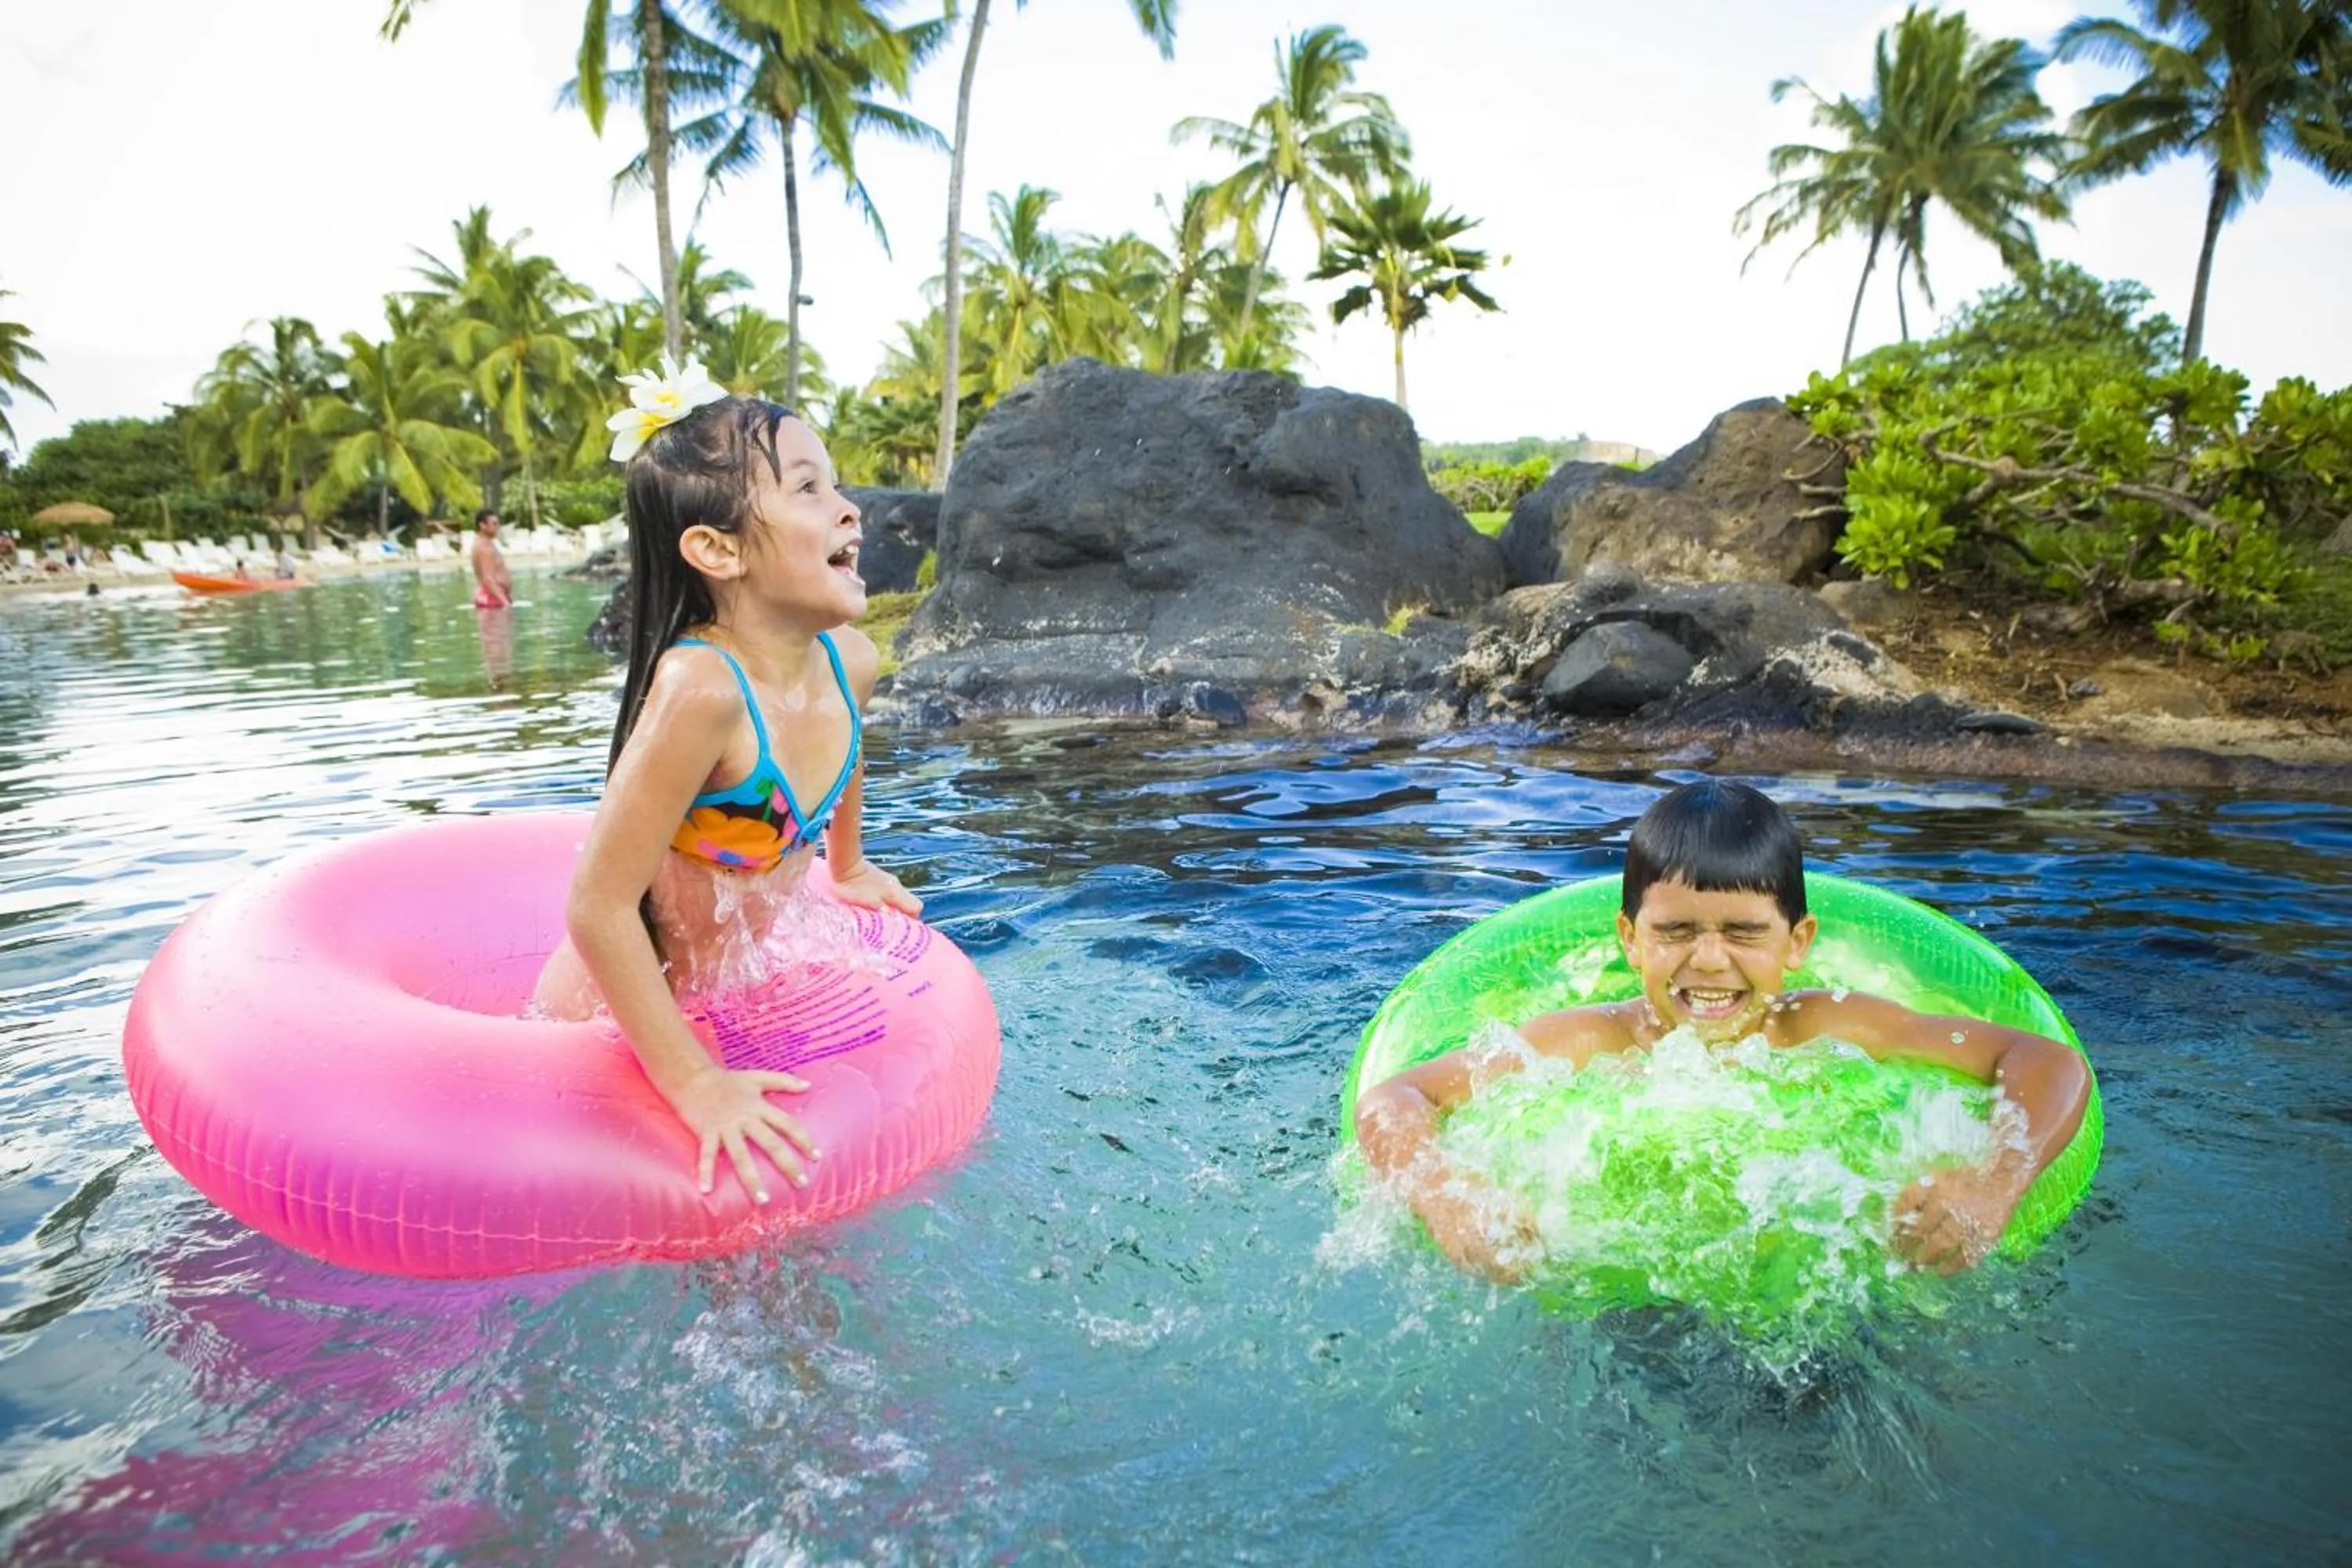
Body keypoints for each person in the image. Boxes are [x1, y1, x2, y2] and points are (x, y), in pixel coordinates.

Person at [1355, 779, 2092, 1283]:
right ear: (1630, 940)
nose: (1709, 961)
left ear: (1797, 942)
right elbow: (1396, 1098)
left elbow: (2044, 1060)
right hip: (1630, 1283)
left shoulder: (1828, 1024)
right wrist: (1447, 1194)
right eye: (1675, 931)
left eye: (1744, 932)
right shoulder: (1592, 1041)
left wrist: (1995, 1181)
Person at [532, 359, 916, 1207]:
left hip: (729, 996)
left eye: (837, 484)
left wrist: (849, 864)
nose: (849, 507)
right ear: (718, 549)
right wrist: (695, 1082)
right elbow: (597, 905)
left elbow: (846, 753)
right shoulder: (704, 690)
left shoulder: (851, 661)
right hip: (607, 1021)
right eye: (809, 488)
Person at [469, 509, 513, 608]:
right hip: (491, 598)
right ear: (482, 525)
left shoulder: (487, 544)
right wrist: (505, 602)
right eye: (494, 524)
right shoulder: (484, 548)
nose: (498, 527)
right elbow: (488, 579)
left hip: (495, 598)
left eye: (498, 524)